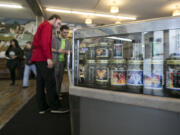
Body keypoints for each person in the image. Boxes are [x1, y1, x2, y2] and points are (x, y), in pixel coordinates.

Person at [31, 14, 69, 114]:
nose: (59, 26)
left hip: (37, 58)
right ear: (54, 19)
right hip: (43, 58)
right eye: (58, 23)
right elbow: (45, 43)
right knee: (50, 82)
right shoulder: (47, 26)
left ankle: (42, 107)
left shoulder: (42, 25)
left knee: (40, 83)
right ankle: (55, 106)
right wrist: (49, 58)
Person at [52, 25, 71, 94]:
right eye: (64, 32)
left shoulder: (68, 42)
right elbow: (48, 48)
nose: (65, 34)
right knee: (54, 78)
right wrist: (57, 50)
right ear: (60, 31)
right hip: (54, 61)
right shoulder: (54, 39)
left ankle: (58, 92)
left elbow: (70, 51)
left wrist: (66, 51)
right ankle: (53, 94)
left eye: (67, 33)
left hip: (62, 62)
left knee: (60, 78)